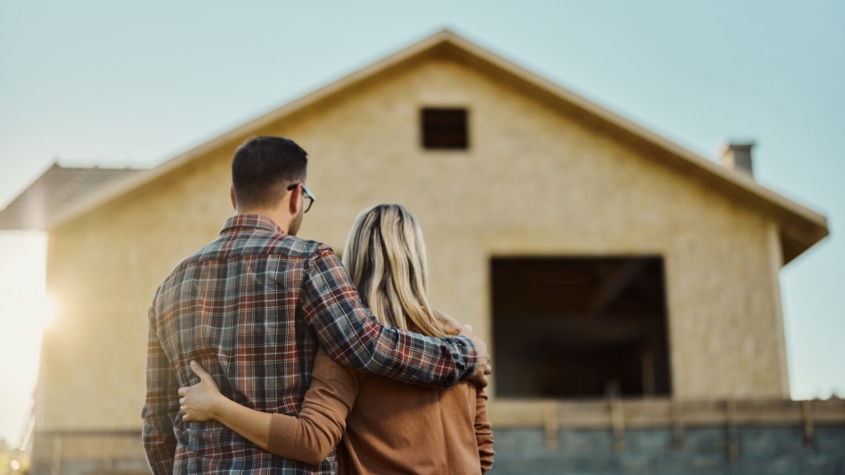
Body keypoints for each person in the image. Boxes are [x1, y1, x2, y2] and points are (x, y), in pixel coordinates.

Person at [142, 137, 491, 475]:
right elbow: (368, 346)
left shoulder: (169, 287)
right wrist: (465, 355)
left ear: (234, 196)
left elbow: (157, 425)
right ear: (296, 196)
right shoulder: (309, 261)